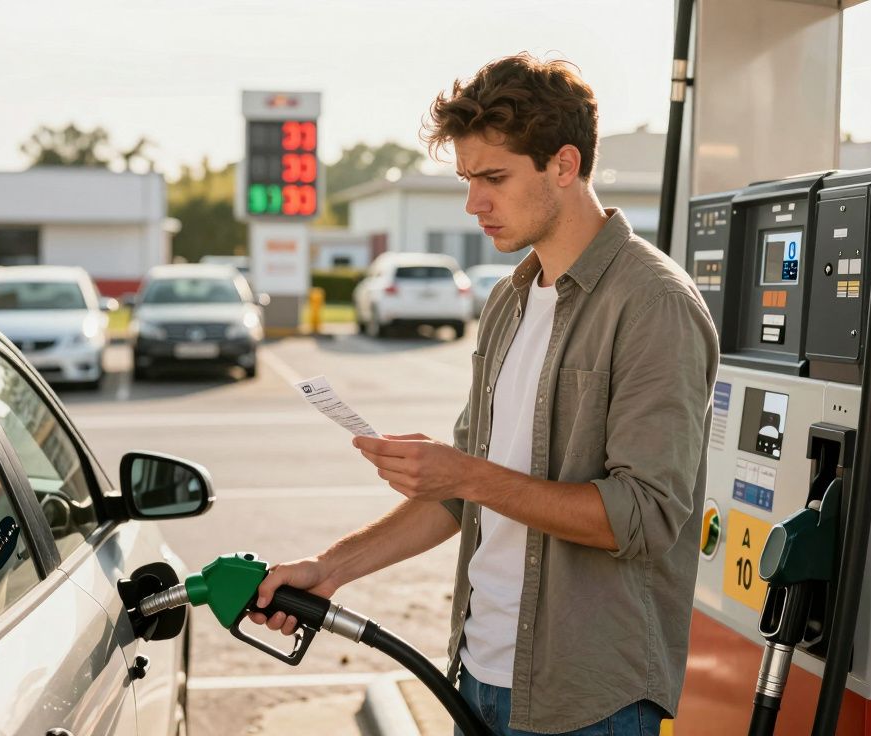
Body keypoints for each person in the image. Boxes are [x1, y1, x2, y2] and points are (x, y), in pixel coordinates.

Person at [250, 53, 719, 735]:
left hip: (589, 702)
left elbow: (643, 517)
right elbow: (462, 494)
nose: (474, 203)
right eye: (469, 179)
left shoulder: (653, 304)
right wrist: (330, 569)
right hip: (479, 676)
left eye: (493, 178)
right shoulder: (509, 299)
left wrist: (466, 472)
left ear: (563, 164)